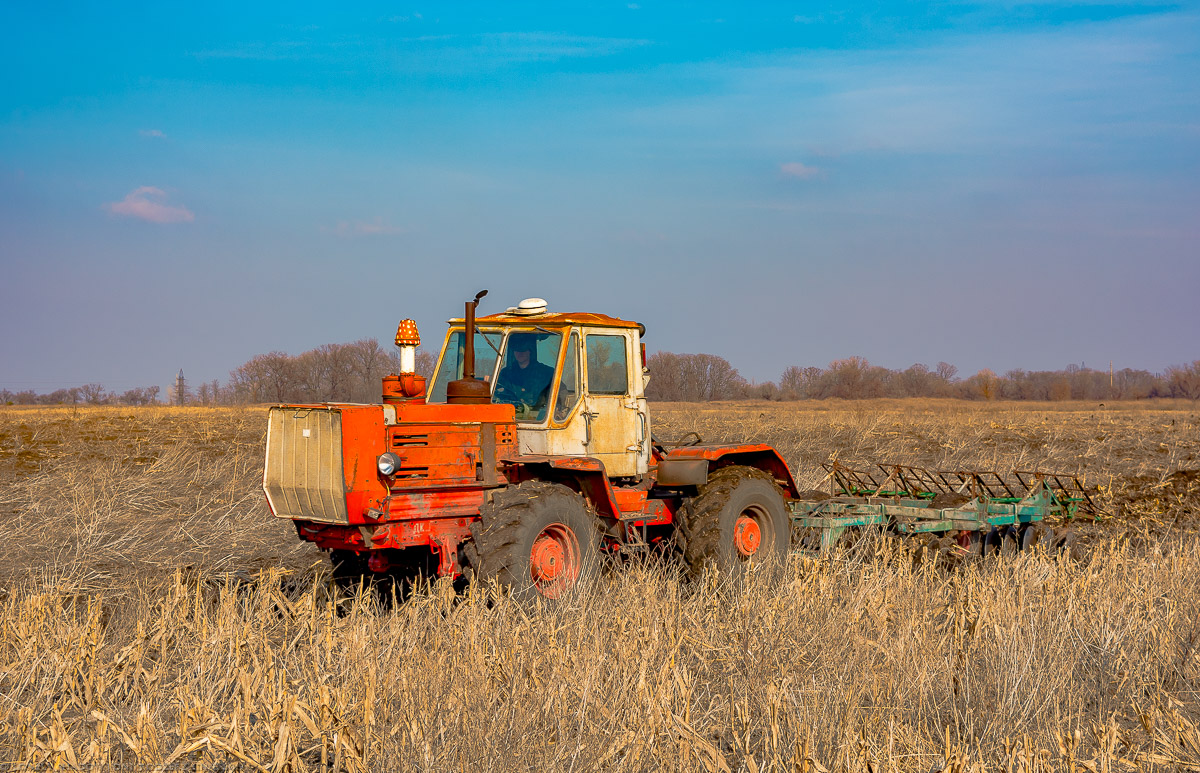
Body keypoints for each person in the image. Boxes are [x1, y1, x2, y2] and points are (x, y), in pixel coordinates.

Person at [493, 335, 555, 413]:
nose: (520, 353)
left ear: (530, 351)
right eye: (517, 350)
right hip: (510, 415)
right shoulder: (505, 374)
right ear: (514, 352)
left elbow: (560, 394)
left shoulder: (547, 373)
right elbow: (497, 395)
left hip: (539, 419)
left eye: (523, 349)